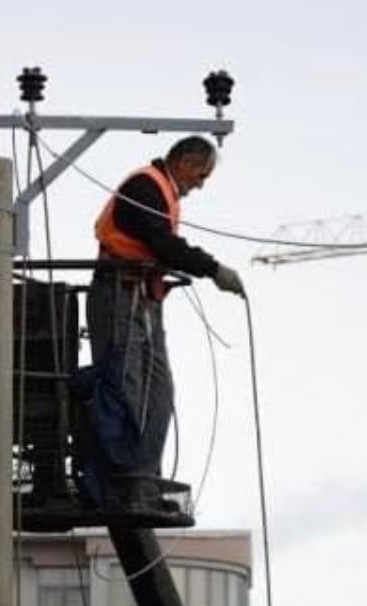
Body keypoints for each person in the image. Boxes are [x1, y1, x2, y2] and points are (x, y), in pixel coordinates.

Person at [88, 135, 245, 483]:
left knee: (159, 389)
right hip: (117, 292)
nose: (200, 185)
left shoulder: (162, 190)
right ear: (186, 163)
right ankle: (119, 475)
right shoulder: (146, 185)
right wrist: (213, 269)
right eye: (201, 175)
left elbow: (161, 245)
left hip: (142, 296)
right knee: (124, 383)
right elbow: (163, 243)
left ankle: (143, 473)